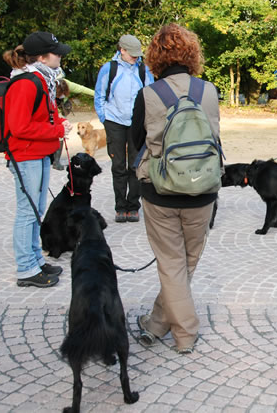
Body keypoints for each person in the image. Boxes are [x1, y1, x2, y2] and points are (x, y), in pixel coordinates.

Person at [131, 23, 220, 354]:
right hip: (203, 190)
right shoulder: (208, 91)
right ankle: (156, 323)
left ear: (154, 56)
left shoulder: (148, 94)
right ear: (192, 54)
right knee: (186, 263)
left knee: (171, 264)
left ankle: (184, 334)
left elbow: (135, 142)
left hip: (160, 191)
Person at [2, 32, 73, 288]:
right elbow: (19, 126)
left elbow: (43, 115)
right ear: (42, 57)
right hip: (25, 155)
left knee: (36, 211)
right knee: (27, 212)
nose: (60, 56)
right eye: (56, 52)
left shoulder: (43, 80)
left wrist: (59, 122)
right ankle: (26, 269)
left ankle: (35, 260)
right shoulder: (26, 83)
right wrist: (56, 130)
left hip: (39, 153)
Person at [94, 34, 154, 223]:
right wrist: (104, 119)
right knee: (118, 165)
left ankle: (133, 206)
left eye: (138, 54)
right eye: (132, 54)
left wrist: (146, 120)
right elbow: (99, 95)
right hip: (114, 122)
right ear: (122, 50)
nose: (136, 57)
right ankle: (120, 207)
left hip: (136, 123)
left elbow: (150, 95)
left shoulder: (144, 70)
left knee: (136, 165)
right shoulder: (109, 69)